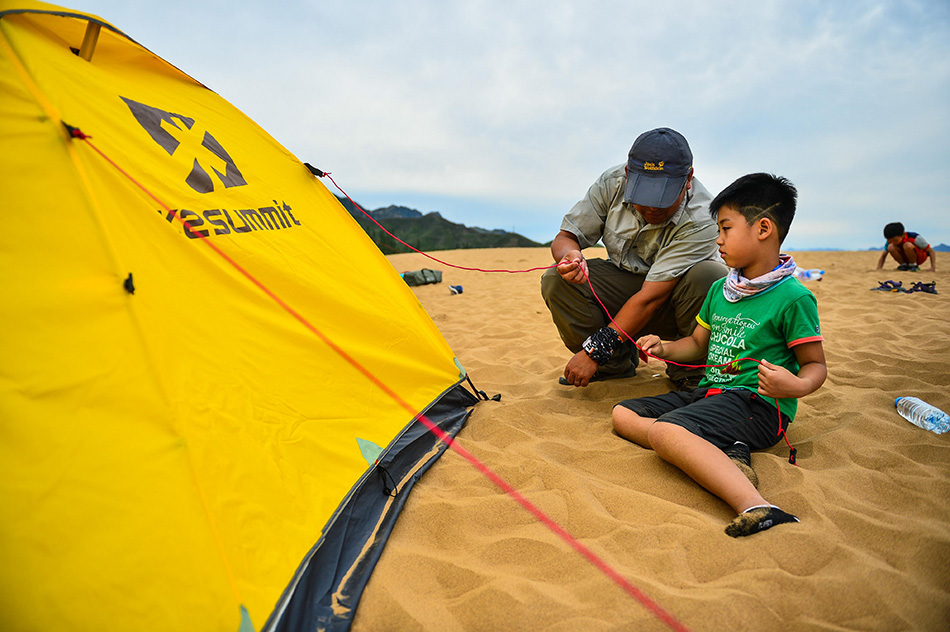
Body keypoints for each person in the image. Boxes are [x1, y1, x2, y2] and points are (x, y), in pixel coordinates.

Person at [611, 173, 827, 537]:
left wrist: (795, 385)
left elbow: (815, 365)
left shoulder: (794, 297)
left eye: (725, 229)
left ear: (763, 229)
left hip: (757, 407)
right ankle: (724, 450)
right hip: (710, 392)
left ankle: (756, 506)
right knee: (623, 414)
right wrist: (663, 347)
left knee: (668, 430)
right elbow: (696, 345)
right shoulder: (719, 289)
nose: (719, 240)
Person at [541, 128, 727, 390]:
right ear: (628, 175)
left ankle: (689, 372)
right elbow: (566, 236)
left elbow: (651, 298)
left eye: (663, 197)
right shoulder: (612, 182)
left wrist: (595, 350)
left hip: (677, 300)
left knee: (709, 276)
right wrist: (569, 255)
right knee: (556, 279)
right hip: (627, 286)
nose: (653, 207)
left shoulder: (702, 217)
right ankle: (613, 366)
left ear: (688, 179)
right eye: (644, 195)